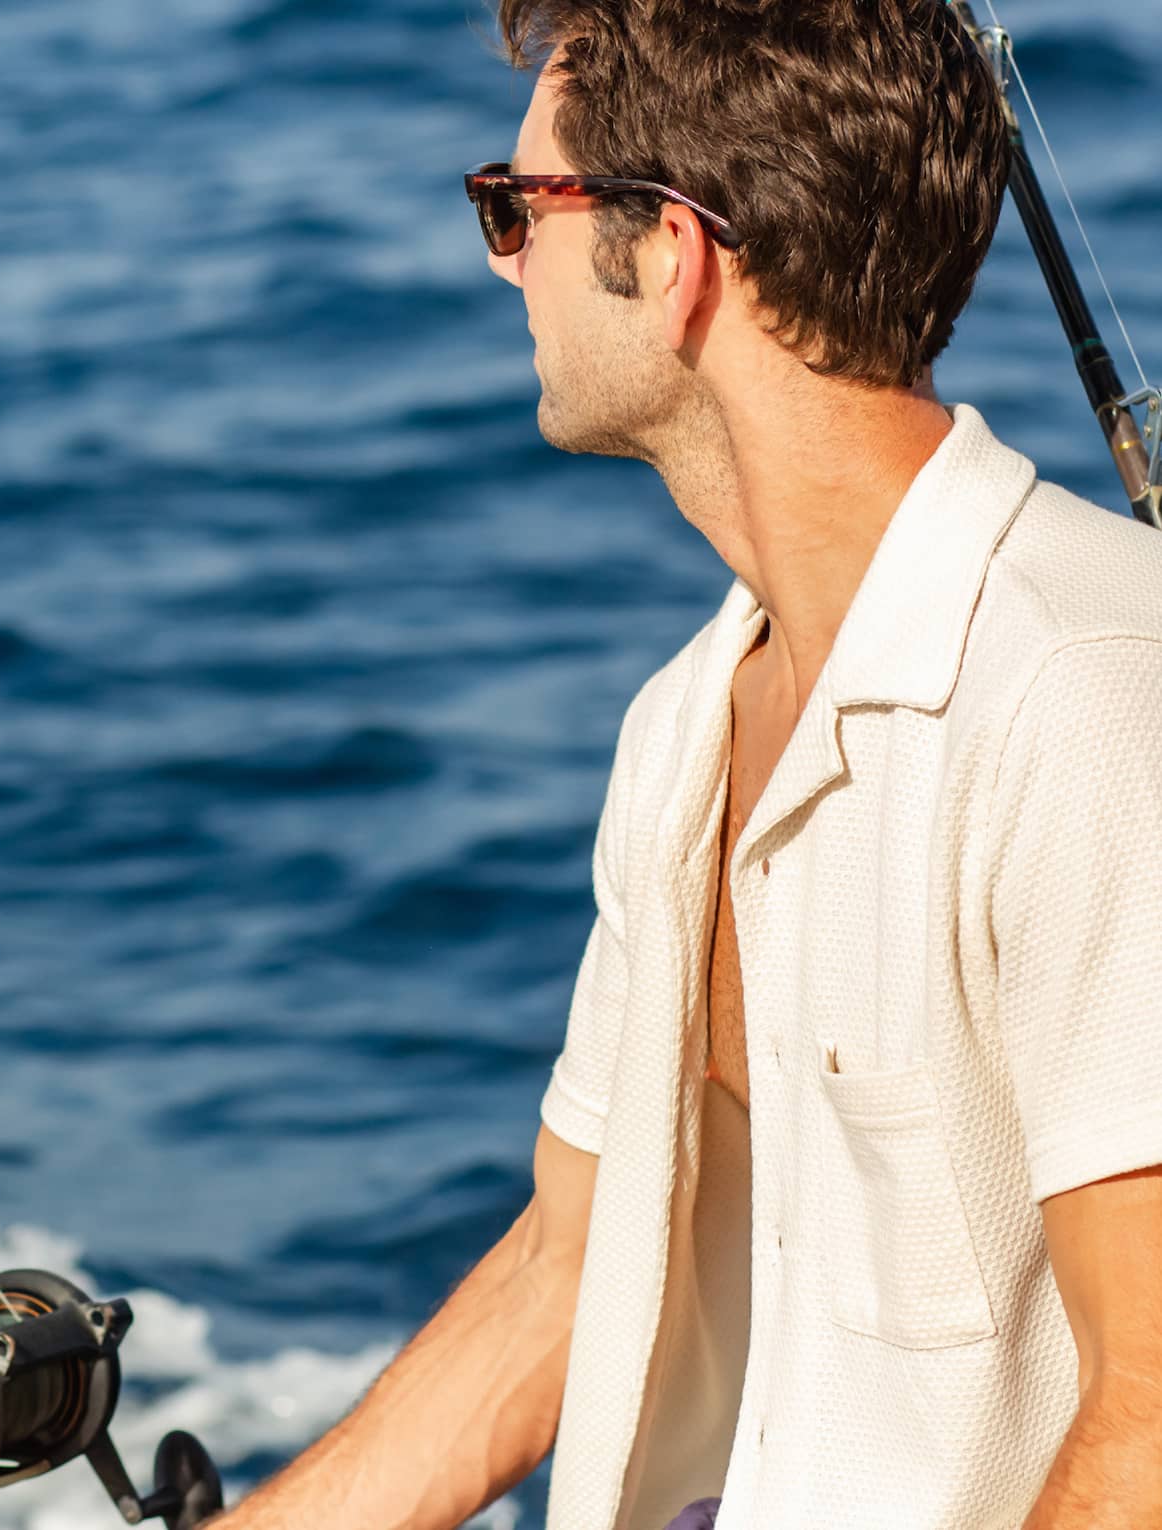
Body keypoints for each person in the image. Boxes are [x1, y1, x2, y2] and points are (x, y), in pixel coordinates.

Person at [210, 1, 1162, 1526]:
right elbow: (569, 1268)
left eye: (514, 207)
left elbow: (1155, 1418)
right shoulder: (687, 717)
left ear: (672, 255)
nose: (503, 260)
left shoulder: (1086, 701)